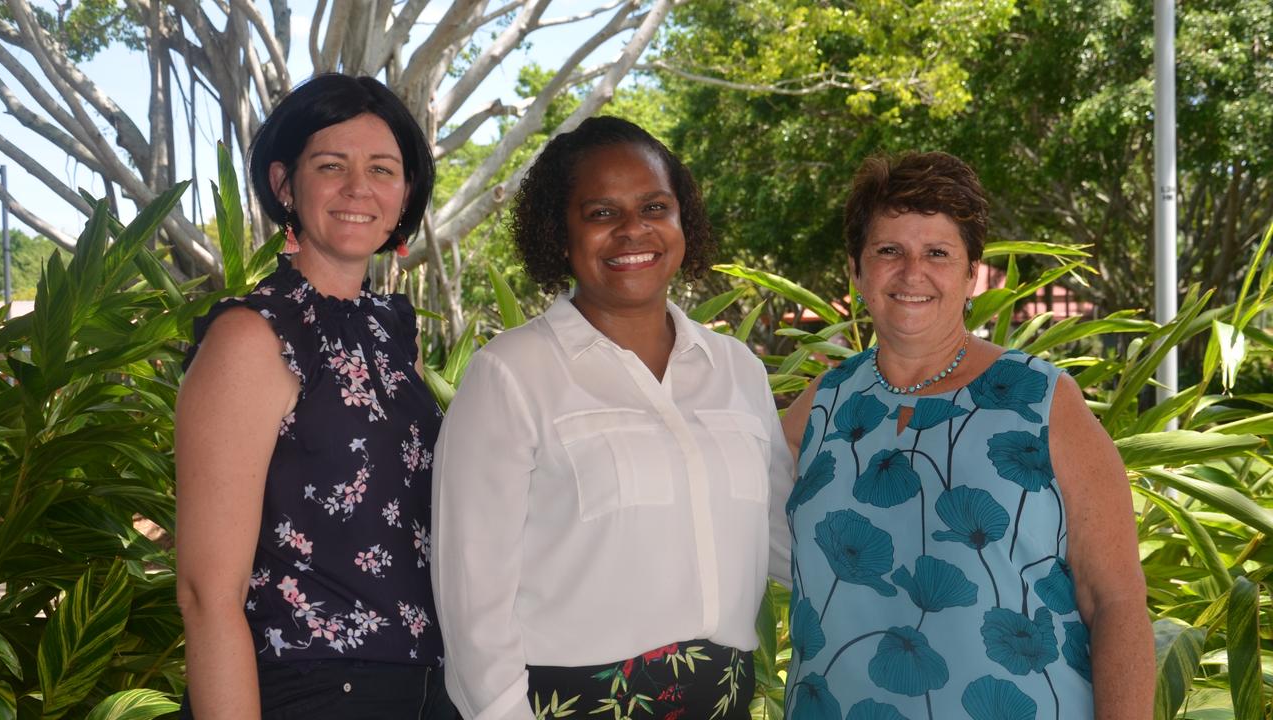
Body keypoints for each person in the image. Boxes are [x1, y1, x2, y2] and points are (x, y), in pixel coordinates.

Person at [432, 116, 792, 720]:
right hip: (568, 703)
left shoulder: (737, 371)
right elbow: (472, 597)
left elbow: (784, 537)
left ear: (683, 221)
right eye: (601, 213)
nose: (634, 231)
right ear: (560, 234)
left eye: (655, 206)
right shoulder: (512, 374)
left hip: (724, 699)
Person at [777, 152, 1153, 719]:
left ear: (971, 273)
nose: (912, 273)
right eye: (888, 251)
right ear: (856, 271)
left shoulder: (1042, 400)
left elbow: (1117, 601)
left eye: (937, 253)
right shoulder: (822, 406)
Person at [175, 73, 457, 719]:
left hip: (426, 687)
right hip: (307, 689)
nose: (359, 188)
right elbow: (205, 594)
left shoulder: (394, 334)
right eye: (332, 165)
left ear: (406, 193)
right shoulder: (252, 335)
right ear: (284, 185)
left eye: (383, 169)